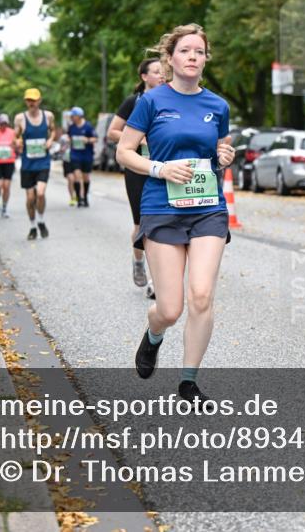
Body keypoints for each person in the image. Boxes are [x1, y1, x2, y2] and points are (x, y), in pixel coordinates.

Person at [116, 24, 235, 406]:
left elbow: (221, 147)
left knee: (201, 295)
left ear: (205, 59)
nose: (192, 57)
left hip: (207, 210)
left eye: (199, 52)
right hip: (162, 208)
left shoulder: (217, 106)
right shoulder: (151, 102)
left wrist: (225, 156)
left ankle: (188, 382)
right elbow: (125, 151)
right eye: (185, 51)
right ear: (170, 58)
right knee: (170, 308)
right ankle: (153, 336)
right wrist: (160, 169)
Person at [108, 58, 164, 295]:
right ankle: (138, 261)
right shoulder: (133, 102)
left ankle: (155, 280)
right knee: (141, 224)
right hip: (136, 169)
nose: (162, 75)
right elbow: (112, 132)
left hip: (162, 168)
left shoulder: (169, 100)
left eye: (164, 71)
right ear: (144, 77)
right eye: (156, 71)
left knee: (160, 224)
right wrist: (138, 139)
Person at [13, 88, 56, 240]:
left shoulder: (48, 115)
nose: (31, 103)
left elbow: (53, 131)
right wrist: (17, 142)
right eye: (28, 100)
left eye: (34, 100)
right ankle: (32, 226)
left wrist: (50, 140)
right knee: (30, 198)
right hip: (27, 163)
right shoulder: (20, 118)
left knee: (41, 193)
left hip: (43, 161)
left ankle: (41, 220)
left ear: (39, 100)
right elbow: (15, 136)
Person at [67, 106, 98, 208]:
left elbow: (95, 138)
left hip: (87, 155)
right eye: (71, 116)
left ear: (79, 116)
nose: (72, 117)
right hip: (75, 155)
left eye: (73, 115)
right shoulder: (71, 127)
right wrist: (68, 140)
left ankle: (85, 197)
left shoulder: (88, 126)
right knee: (77, 175)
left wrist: (88, 140)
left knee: (85, 177)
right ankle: (79, 198)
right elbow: (69, 137)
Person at [58, 132, 77, 206]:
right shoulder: (63, 137)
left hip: (77, 160)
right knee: (71, 179)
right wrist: (63, 148)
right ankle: (72, 197)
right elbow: (60, 149)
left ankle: (78, 194)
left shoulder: (78, 135)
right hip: (67, 160)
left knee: (76, 179)